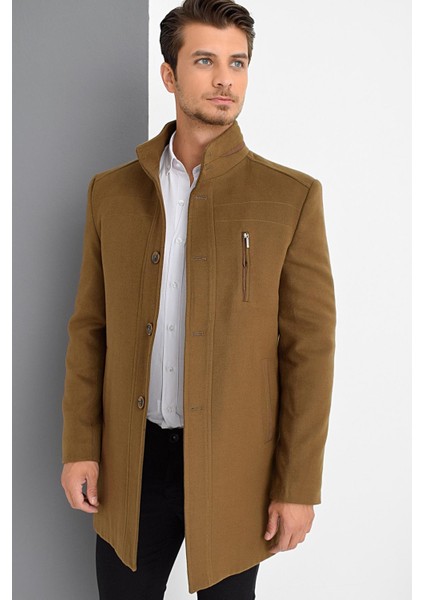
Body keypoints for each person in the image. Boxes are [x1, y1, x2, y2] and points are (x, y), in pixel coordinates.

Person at [60, 0, 337, 598]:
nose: (224, 79)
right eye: (205, 61)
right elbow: (90, 329)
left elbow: (309, 352)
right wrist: (80, 447)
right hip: (132, 461)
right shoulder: (110, 193)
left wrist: (298, 484)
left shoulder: (291, 197)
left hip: (237, 468)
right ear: (169, 74)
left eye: (238, 63)